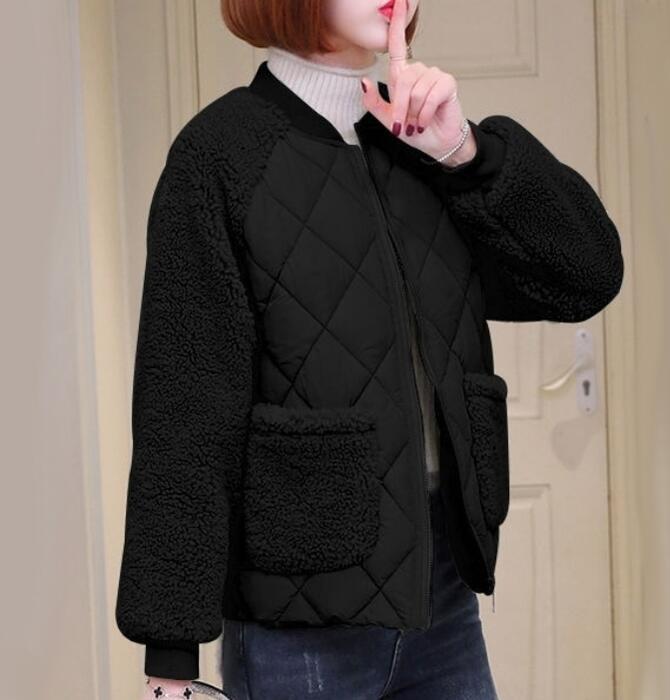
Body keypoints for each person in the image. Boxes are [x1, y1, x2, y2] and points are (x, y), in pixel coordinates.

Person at [115, 0, 624, 698]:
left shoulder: (422, 143)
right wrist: (170, 654)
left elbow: (585, 276)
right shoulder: (221, 156)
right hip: (299, 621)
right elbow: (185, 412)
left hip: (442, 592)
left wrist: (464, 153)